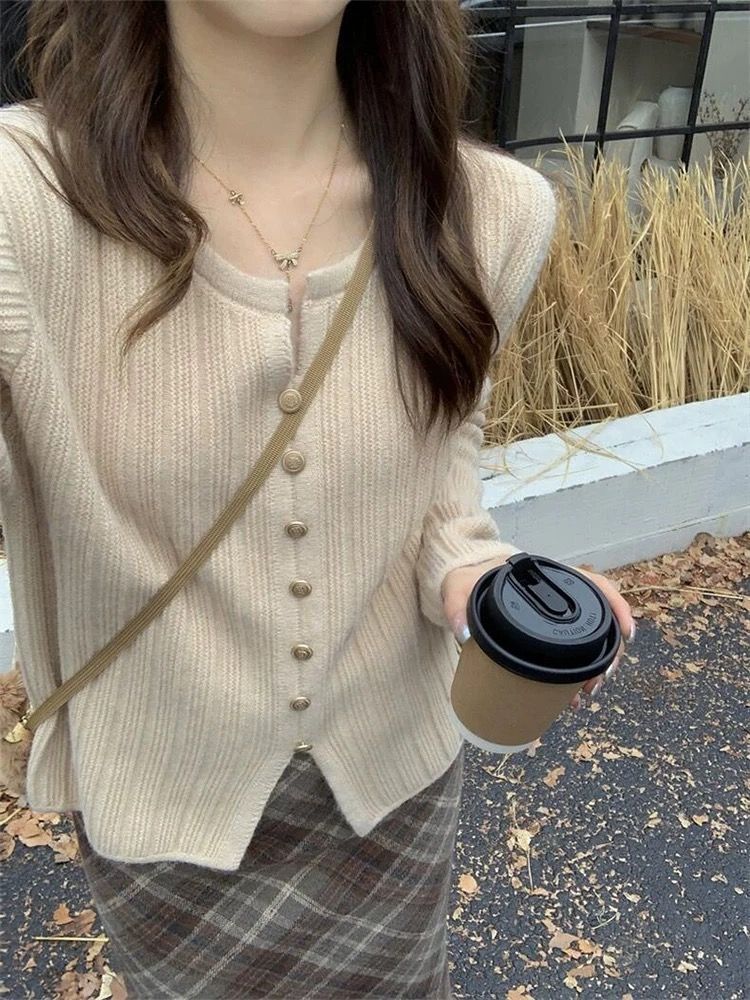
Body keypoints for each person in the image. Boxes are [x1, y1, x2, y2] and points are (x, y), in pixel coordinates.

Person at [0, 1, 635, 997]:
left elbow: (442, 466)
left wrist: (473, 568)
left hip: (396, 794)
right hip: (164, 814)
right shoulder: (25, 203)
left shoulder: (490, 210)